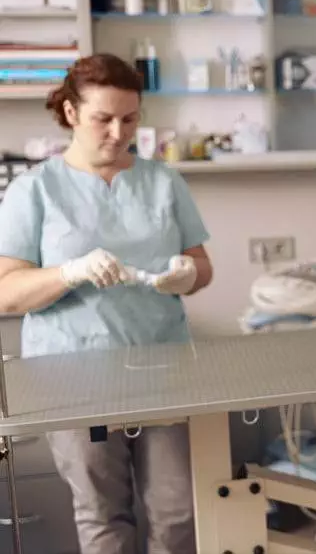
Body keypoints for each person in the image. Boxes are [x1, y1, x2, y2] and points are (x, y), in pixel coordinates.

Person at [0, 53, 213, 554]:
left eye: (130, 119)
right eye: (104, 118)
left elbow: (202, 267)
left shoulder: (164, 182)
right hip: (74, 379)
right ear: (72, 113)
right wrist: (68, 272)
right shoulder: (35, 189)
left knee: (180, 509)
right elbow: (6, 291)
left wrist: (187, 275)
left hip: (164, 370)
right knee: (103, 515)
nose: (118, 132)